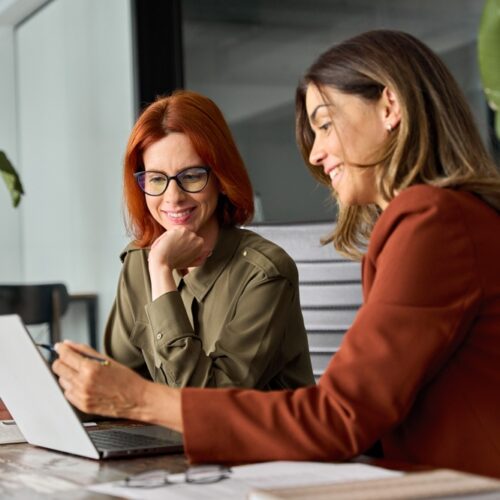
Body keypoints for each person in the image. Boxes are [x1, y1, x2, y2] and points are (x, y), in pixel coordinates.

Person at [53, 30, 500, 477]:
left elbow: (339, 417)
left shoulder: (435, 221)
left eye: (325, 124)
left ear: (390, 107)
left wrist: (140, 399)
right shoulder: (434, 221)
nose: (317, 152)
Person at [102, 90, 314, 389]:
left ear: (221, 178)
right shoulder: (138, 261)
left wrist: (162, 273)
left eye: (190, 176)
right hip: (168, 436)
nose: (173, 197)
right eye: (156, 179)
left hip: (248, 435)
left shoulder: (265, 273)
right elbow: (118, 383)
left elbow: (207, 402)